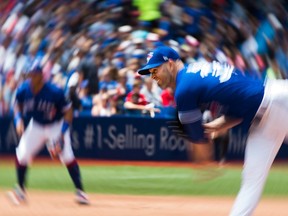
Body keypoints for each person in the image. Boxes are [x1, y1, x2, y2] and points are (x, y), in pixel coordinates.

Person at [137, 45, 288, 216]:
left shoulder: (184, 87)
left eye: (155, 70)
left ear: (170, 64)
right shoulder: (197, 72)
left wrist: (203, 161)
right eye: (151, 73)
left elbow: (198, 139)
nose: (153, 76)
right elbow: (240, 105)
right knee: (252, 178)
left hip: (278, 100)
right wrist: (217, 125)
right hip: (263, 120)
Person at [7, 61, 89, 205]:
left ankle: (81, 192)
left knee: (67, 157)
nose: (31, 77)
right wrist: (18, 120)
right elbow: (17, 105)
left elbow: (68, 112)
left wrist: (62, 133)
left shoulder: (54, 91)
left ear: (41, 76)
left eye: (34, 74)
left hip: (55, 126)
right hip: (36, 126)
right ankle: (20, 191)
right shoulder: (24, 89)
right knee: (22, 154)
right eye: (30, 74)